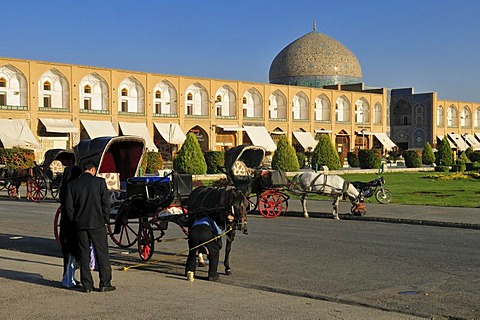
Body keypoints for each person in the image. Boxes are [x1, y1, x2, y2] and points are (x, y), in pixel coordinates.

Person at [64, 160, 115, 293]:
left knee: (84, 254)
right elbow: (106, 203)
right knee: (102, 253)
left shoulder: (72, 185)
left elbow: (69, 207)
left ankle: (87, 284)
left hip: (81, 224)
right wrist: (105, 218)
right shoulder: (99, 183)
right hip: (97, 223)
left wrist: (75, 220)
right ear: (93, 170)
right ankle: (105, 283)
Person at [59, 164, 82, 288]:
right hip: (71, 224)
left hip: (65, 223)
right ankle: (69, 279)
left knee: (68, 254)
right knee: (73, 253)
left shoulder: (64, 188)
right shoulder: (72, 187)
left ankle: (68, 277)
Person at [185, 215, 223, 282]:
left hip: (193, 233)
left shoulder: (196, 219)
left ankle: (190, 272)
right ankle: (212, 275)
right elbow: (218, 232)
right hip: (205, 233)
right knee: (214, 252)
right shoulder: (209, 219)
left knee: (192, 252)